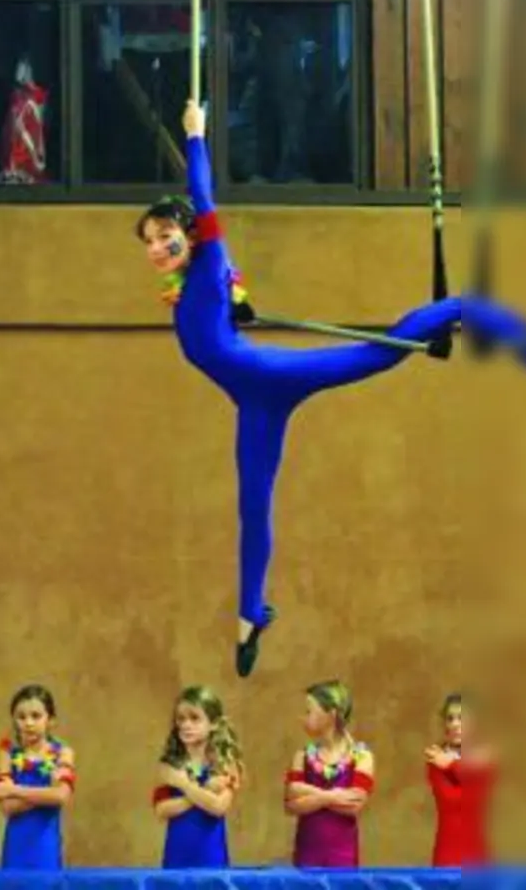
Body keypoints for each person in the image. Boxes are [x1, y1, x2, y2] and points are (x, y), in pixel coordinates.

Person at [146, 100, 461, 675]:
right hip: (252, 399)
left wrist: (195, 137)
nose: (155, 248)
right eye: (148, 240)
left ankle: (458, 307)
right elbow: (223, 285)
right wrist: (239, 301)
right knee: (253, 506)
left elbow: (206, 202)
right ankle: (249, 615)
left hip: (270, 376)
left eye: (165, 235)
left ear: (189, 235)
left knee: (378, 353)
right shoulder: (201, 274)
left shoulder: (208, 255)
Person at [285, 680, 374, 867]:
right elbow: (291, 804)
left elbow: (354, 804)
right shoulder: (302, 756)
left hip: (342, 855)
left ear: (331, 715)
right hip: (307, 854)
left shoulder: (361, 756)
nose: (303, 717)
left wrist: (309, 794)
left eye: (309, 711)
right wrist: (331, 796)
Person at [153, 685, 242, 868]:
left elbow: (218, 807)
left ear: (214, 724)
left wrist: (183, 785)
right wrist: (205, 791)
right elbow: (161, 810)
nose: (186, 725)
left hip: (211, 856)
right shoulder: (170, 764)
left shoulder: (224, 764)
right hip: (177, 855)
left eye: (195, 718)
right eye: (181, 719)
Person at [0, 685, 75, 870]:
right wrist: (46, 792)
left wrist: (14, 790)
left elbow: (61, 796)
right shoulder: (7, 754)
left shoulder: (63, 753)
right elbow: (7, 807)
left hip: (45, 844)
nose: (28, 723)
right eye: (21, 717)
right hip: (16, 843)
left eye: (36, 716)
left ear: (51, 720)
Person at [426, 691, 494, 866]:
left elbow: (472, 799)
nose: (455, 724)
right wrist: (462, 769)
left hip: (477, 855)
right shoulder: (435, 757)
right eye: (450, 719)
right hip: (446, 853)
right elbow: (452, 798)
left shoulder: (487, 757)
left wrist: (450, 765)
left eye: (461, 718)